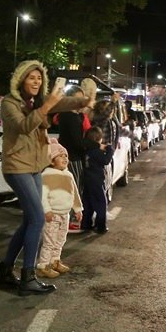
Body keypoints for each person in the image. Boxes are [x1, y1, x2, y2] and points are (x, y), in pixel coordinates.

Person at [0, 60, 91, 296]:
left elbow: (65, 102)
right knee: (38, 218)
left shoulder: (38, 102)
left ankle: (5, 272)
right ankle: (28, 276)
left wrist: (85, 100)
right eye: (31, 78)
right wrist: (46, 106)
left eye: (39, 78)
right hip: (17, 167)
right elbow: (24, 126)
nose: (36, 82)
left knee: (29, 220)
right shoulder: (10, 103)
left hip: (35, 167)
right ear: (21, 80)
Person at [36, 140, 82, 279]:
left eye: (66, 156)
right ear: (51, 160)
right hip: (53, 214)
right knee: (49, 241)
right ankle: (43, 266)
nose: (65, 159)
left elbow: (74, 193)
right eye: (60, 156)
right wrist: (47, 210)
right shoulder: (46, 175)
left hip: (65, 214)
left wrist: (78, 209)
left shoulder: (69, 175)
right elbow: (42, 195)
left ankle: (55, 261)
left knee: (60, 239)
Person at [57, 87, 91, 232]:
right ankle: (69, 220)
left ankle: (70, 219)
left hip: (73, 156)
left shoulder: (74, 116)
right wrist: (95, 145)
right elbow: (77, 142)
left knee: (74, 187)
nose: (80, 102)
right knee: (74, 188)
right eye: (77, 99)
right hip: (73, 157)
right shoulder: (69, 117)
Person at [79, 126, 114, 234]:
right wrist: (109, 150)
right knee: (101, 203)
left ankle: (86, 224)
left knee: (87, 203)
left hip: (86, 180)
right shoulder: (96, 152)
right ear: (98, 139)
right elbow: (106, 161)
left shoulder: (85, 151)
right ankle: (101, 226)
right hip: (97, 181)